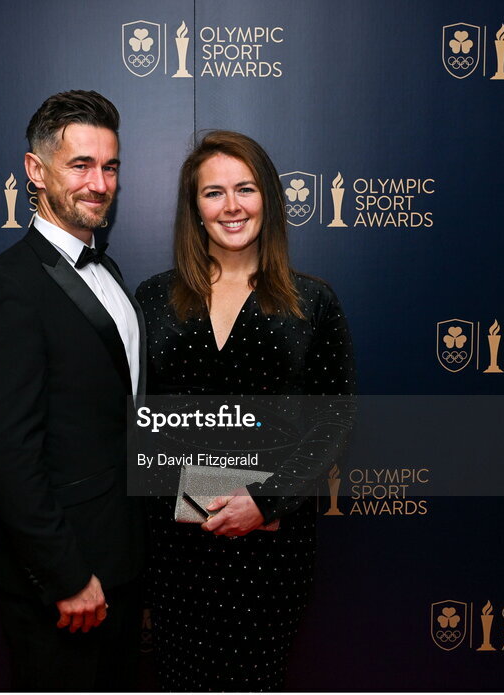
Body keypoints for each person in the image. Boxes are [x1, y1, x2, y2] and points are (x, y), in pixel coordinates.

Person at [135, 130, 356, 691]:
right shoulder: (153, 300)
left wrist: (264, 502)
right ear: (194, 209)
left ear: (270, 200)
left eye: (246, 189)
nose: (231, 206)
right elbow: (138, 425)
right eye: (213, 193)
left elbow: (331, 423)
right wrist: (207, 499)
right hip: (176, 551)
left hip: (270, 551)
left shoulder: (314, 303)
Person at [0, 90, 144, 691]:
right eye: (80, 165)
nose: (99, 183)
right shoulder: (7, 288)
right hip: (64, 587)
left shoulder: (109, 272)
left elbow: (121, 419)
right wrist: (66, 576)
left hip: (120, 565)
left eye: (110, 166)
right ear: (35, 171)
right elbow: (7, 452)